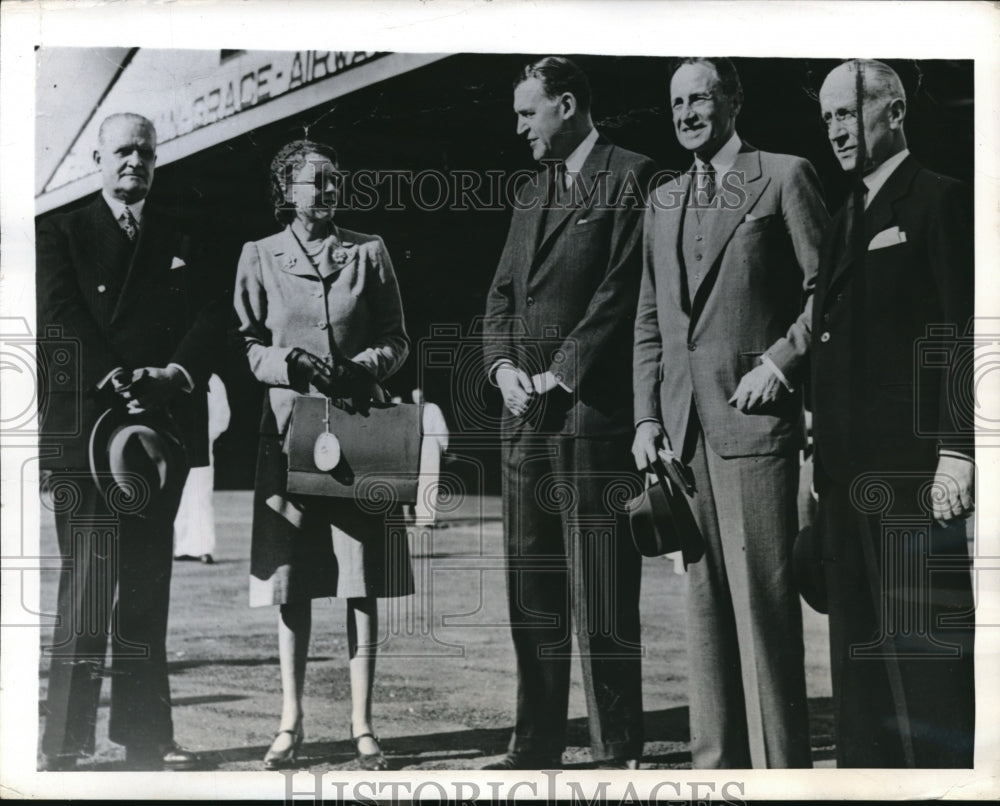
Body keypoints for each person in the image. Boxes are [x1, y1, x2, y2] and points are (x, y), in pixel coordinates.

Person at [632, 58, 829, 768]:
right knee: (705, 616)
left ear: (733, 101)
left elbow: (827, 290)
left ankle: (782, 774)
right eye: (676, 104)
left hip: (755, 428)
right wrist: (645, 418)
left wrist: (779, 365)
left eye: (700, 99)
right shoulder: (662, 201)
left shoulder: (783, 175)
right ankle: (716, 771)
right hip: (682, 439)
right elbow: (649, 321)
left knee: (764, 612)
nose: (686, 114)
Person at [482, 56, 657, 770]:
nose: (519, 127)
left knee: (602, 585)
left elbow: (623, 290)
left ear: (567, 104)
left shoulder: (632, 174)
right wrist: (502, 370)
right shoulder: (531, 191)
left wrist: (559, 373)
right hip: (523, 418)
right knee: (532, 584)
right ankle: (536, 742)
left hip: (589, 414)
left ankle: (616, 746)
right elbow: (500, 295)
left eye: (528, 112)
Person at [36, 113, 222, 771]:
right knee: (87, 590)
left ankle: (147, 737)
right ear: (97, 158)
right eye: (121, 150)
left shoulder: (181, 233)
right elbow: (59, 316)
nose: (134, 161)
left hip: (156, 431)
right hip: (90, 431)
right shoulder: (60, 232)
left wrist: (173, 375)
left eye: (145, 151)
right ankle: (64, 743)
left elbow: (213, 311)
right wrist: (117, 379)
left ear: (156, 159)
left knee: (146, 587)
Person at [812, 59, 975, 767]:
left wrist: (958, 450)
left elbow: (965, 331)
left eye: (847, 112)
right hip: (842, 478)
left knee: (927, 666)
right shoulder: (842, 219)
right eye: (827, 118)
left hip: (913, 476)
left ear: (895, 111)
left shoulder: (941, 200)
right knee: (860, 675)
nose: (835, 130)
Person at [233, 138, 413, 771]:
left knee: (362, 580)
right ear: (287, 191)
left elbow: (396, 337)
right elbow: (247, 345)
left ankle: (364, 725)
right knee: (293, 581)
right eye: (316, 181)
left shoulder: (368, 252)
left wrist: (364, 368)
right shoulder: (259, 255)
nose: (330, 190)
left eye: (335, 179)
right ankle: (291, 721)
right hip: (288, 437)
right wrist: (292, 363)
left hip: (358, 434)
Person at [173, 373, 230, 563]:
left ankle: (203, 547)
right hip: (178, 446)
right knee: (179, 496)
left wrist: (205, 437)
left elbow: (222, 416)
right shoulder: (175, 377)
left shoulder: (213, 381)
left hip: (201, 447)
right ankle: (183, 547)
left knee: (201, 496)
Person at [411, 388, 449, 528]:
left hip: (431, 447)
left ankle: (427, 518)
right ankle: (419, 517)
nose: (419, 399)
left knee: (430, 480)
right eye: (416, 397)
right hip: (417, 447)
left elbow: (441, 429)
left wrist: (444, 447)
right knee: (419, 483)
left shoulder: (433, 408)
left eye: (420, 396)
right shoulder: (412, 410)